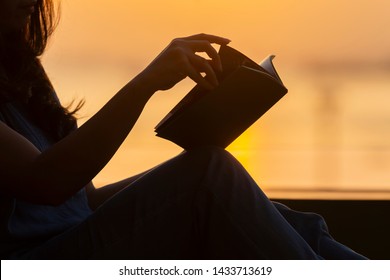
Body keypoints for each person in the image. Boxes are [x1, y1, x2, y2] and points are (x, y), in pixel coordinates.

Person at [0, 0, 366, 260]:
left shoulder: (22, 69)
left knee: (263, 205)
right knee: (210, 175)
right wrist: (146, 84)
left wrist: (199, 148)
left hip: (76, 239)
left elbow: (82, 199)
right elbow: (46, 183)